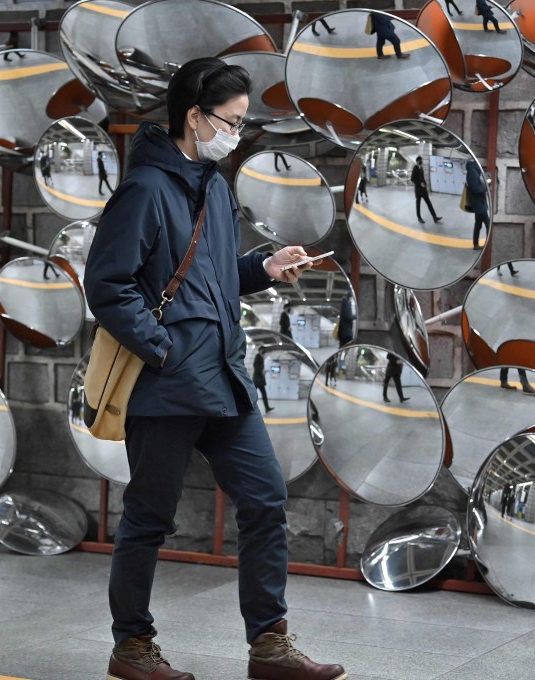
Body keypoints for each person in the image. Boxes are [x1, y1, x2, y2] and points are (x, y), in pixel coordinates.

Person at [82, 57, 344, 680]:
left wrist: (263, 269)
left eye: (242, 121)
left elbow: (213, 276)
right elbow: (107, 284)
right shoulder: (145, 190)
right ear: (194, 117)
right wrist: (161, 347)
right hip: (166, 383)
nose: (237, 131)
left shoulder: (214, 187)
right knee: (149, 517)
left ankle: (269, 647)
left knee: (264, 501)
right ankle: (132, 649)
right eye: (230, 120)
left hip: (224, 376)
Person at [465, 159, 489, 250]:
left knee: (478, 224)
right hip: (478, 204)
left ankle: (475, 244)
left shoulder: (473, 171)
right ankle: (487, 245)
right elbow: (476, 188)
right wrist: (485, 186)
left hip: (478, 202)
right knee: (488, 224)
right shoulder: (472, 172)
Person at [411, 156, 442, 225]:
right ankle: (419, 217)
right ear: (417, 161)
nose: (421, 162)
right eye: (420, 161)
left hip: (423, 190)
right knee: (418, 205)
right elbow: (412, 179)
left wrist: (425, 184)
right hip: (418, 190)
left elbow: (423, 178)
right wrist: (420, 184)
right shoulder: (415, 168)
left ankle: (434, 217)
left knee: (429, 203)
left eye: (421, 160)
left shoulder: (421, 168)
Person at [253, 348, 273, 413]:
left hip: (260, 380)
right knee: (252, 394)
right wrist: (261, 370)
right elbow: (255, 365)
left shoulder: (261, 357)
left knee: (264, 394)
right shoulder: (258, 356)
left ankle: (267, 408)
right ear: (261, 350)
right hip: (257, 379)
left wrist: (263, 370)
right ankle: (248, 407)